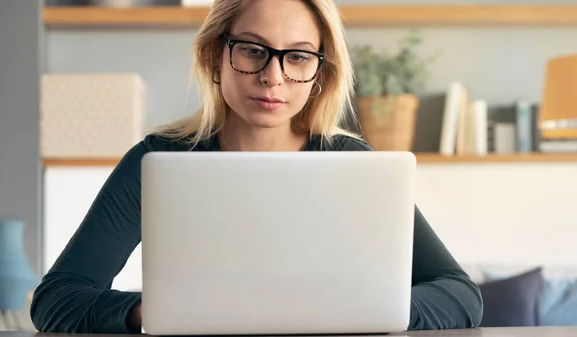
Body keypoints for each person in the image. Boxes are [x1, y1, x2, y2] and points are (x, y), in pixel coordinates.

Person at [30, 0, 483, 333]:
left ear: (320, 73)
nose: (274, 76)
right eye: (252, 50)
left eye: (299, 56)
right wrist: (153, 310)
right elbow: (58, 299)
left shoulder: (353, 166)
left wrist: (375, 309)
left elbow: (460, 294)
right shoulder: (156, 161)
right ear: (214, 55)